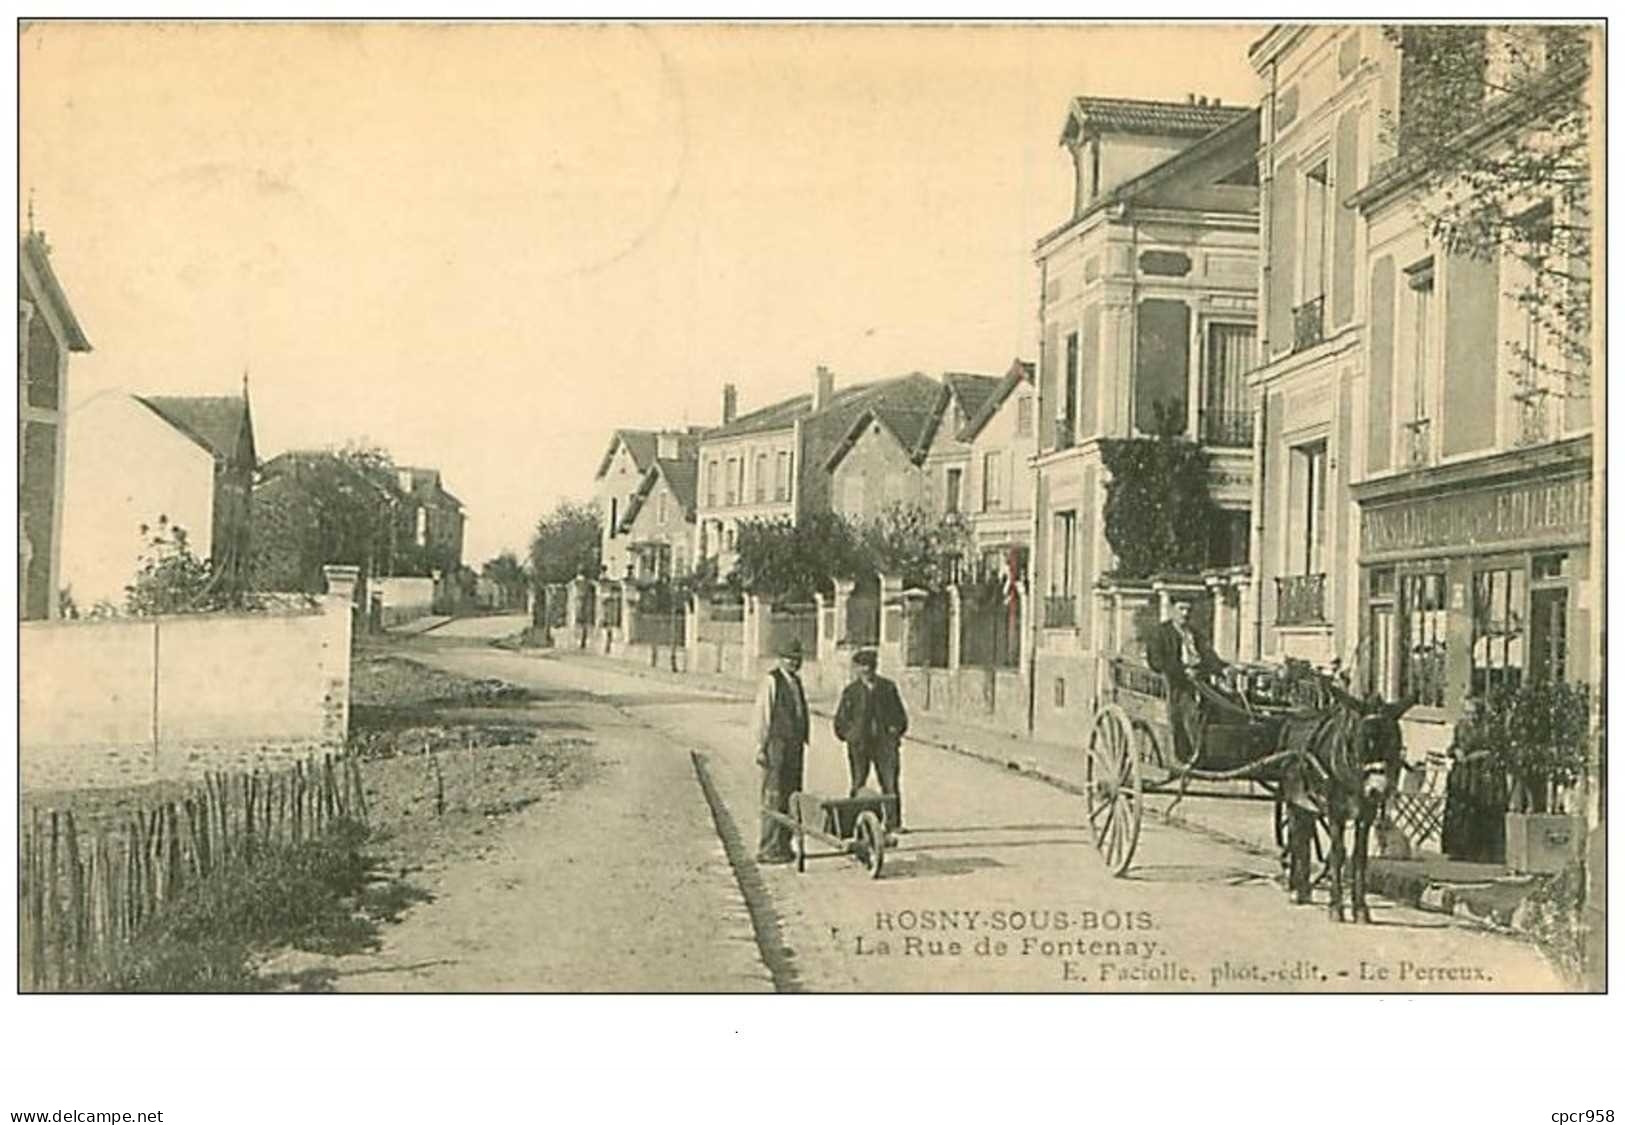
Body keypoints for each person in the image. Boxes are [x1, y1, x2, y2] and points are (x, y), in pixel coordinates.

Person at [833, 648, 909, 840]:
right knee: (858, 782)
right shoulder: (851, 692)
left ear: (875, 667)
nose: (866, 670)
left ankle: (893, 823)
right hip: (859, 745)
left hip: (884, 744)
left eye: (870, 666)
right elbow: (840, 721)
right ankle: (853, 822)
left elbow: (900, 716)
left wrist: (894, 732)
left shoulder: (888, 688)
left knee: (890, 783)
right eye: (862, 666)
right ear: (857, 669)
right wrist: (850, 736)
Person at [1145, 597, 1224, 766]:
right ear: (1172, 609)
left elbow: (1208, 655)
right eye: (1181, 608)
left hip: (1200, 681)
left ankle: (1216, 753)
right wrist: (1182, 671)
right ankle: (1190, 755)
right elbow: (1157, 661)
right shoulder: (1160, 633)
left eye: (1188, 609)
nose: (1185, 613)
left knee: (1223, 707)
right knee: (1189, 713)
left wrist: (1223, 668)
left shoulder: (1194, 634)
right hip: (1176, 684)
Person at [753, 637, 811, 864]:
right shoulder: (771, 681)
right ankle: (768, 847)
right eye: (789, 659)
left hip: (795, 747)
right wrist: (760, 747)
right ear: (780, 659)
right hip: (776, 744)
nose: (794, 663)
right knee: (773, 795)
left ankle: (784, 846)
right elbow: (763, 714)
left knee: (792, 795)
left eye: (798, 659)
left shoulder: (796, 681)